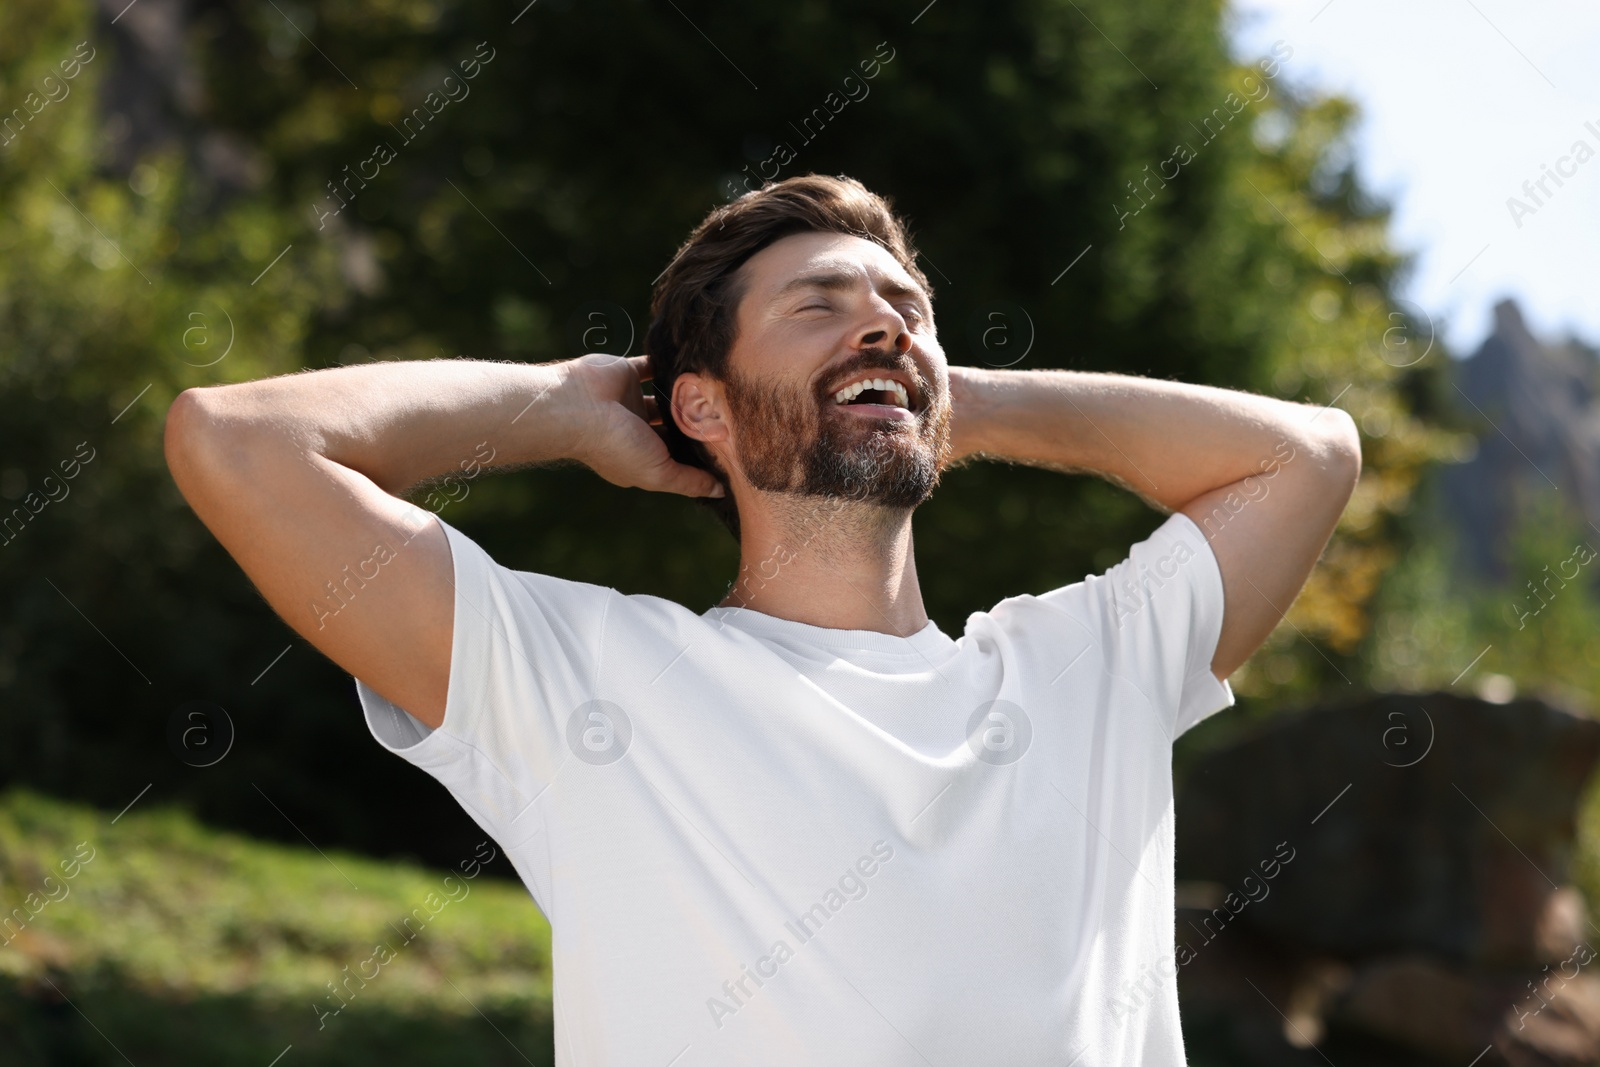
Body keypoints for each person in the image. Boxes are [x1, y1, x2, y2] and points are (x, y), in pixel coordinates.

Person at [163, 173, 1361, 1066]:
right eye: (819, 305)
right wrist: (570, 406)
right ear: (705, 407)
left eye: (904, 306)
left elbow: (1307, 453)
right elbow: (241, 442)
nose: (882, 321)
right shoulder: (584, 678)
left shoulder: (1088, 666)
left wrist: (954, 397)